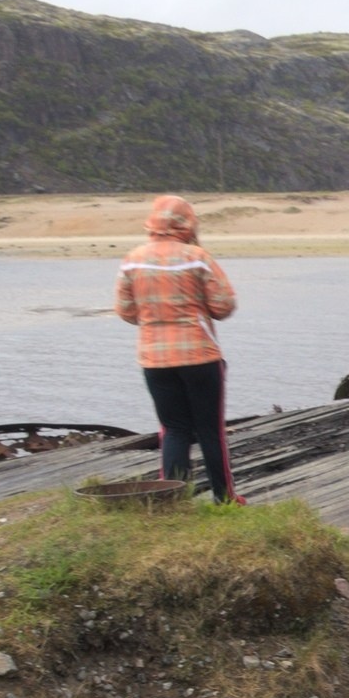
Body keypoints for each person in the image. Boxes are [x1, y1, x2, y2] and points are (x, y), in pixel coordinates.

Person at [115, 194, 240, 503]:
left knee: (173, 429)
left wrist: (152, 317)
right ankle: (225, 500)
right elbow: (224, 306)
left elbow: (126, 312)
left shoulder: (133, 260)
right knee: (210, 430)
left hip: (154, 359)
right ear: (187, 223)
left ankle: (171, 503)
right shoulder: (197, 257)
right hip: (200, 356)